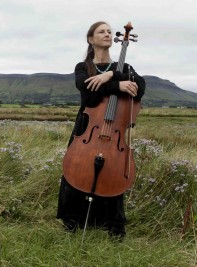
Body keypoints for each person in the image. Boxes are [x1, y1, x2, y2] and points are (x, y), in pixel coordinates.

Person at [56, 21, 145, 238]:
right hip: (88, 129)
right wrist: (116, 84)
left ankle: (113, 226)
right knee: (76, 171)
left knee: (113, 174)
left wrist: (110, 75)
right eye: (101, 31)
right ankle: (72, 223)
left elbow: (140, 87)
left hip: (114, 131)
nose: (106, 34)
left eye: (108, 31)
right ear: (90, 39)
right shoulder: (83, 67)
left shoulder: (123, 67)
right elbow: (89, 94)